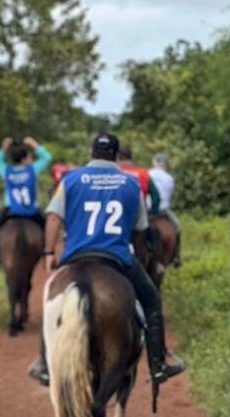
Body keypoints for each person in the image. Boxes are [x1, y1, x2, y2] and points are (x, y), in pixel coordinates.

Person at [27, 132, 186, 388]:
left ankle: (45, 364)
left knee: (50, 301)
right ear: (115, 156)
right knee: (152, 300)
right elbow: (140, 229)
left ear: (91, 153)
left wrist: (48, 253)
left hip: (76, 257)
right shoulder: (130, 183)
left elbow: (54, 218)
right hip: (116, 257)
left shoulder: (71, 179)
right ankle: (159, 362)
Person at [0, 136, 53, 270]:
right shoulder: (32, 170)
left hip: (12, 211)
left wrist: (4, 148)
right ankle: (47, 253)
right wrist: (34, 144)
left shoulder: (6, 171)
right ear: (24, 159)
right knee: (46, 228)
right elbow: (47, 157)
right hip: (31, 212)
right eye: (29, 157)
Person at [149, 152, 182, 266]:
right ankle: (176, 256)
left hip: (147, 211)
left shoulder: (147, 174)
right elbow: (168, 194)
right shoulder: (169, 178)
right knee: (177, 227)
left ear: (154, 162)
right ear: (164, 164)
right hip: (163, 211)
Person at [118, 144, 161, 215]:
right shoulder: (143, 173)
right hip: (140, 213)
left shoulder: (114, 173)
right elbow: (155, 196)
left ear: (117, 157)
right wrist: (154, 212)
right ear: (131, 156)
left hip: (119, 213)